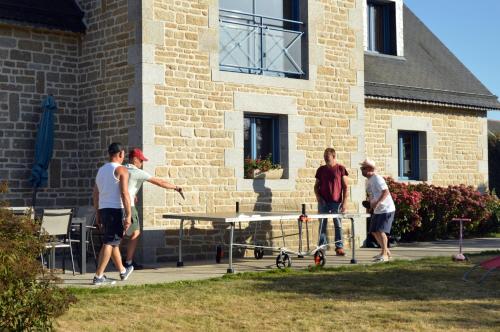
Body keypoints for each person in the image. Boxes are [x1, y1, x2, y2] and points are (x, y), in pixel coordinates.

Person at [124, 148, 183, 269]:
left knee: (117, 235)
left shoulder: (121, 168)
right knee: (135, 233)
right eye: (141, 160)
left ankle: (115, 260)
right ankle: (128, 262)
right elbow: (160, 182)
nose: (142, 163)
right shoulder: (137, 172)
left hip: (117, 205)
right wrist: (175, 187)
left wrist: (132, 193)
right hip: (128, 205)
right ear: (135, 159)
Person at [92, 142, 134, 285]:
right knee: (109, 242)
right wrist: (128, 215)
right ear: (121, 154)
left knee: (113, 241)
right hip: (115, 210)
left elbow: (95, 194)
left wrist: (97, 213)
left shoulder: (101, 171)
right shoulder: (122, 170)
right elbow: (124, 193)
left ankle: (122, 271)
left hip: (104, 210)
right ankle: (99, 276)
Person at [314, 148, 349, 256]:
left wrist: (345, 202)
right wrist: (318, 197)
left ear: (333, 156)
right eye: (324, 156)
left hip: (336, 202)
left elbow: (346, 187)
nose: (325, 158)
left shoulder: (340, 169)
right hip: (323, 202)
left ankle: (339, 247)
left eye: (327, 156)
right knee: (322, 225)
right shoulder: (321, 170)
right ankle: (321, 247)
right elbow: (316, 186)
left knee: (337, 224)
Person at [360, 159, 395, 262]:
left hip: (386, 209)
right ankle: (386, 251)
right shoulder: (368, 181)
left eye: (364, 168)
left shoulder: (377, 178)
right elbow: (372, 195)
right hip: (377, 210)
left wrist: (378, 203)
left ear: (370, 169)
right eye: (362, 168)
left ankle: (384, 255)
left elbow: (386, 192)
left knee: (381, 231)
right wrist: (370, 206)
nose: (362, 170)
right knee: (374, 232)